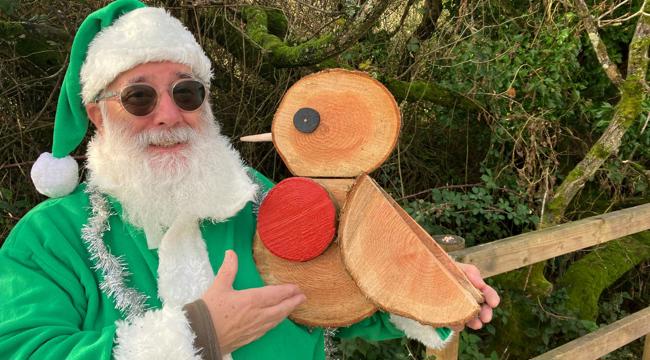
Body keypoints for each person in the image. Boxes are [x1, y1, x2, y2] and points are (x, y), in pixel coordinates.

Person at [0, 1, 499, 359]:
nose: (168, 115)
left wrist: (431, 294)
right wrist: (197, 336)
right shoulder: (48, 239)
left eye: (187, 92)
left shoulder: (268, 202)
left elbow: (343, 293)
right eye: (139, 98)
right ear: (97, 115)